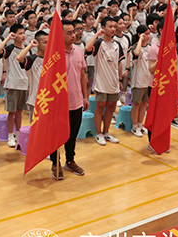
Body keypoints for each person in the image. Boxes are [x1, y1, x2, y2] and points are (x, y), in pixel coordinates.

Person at [51, 20, 88, 180]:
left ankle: (70, 160)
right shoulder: (53, 54)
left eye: (74, 32)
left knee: (72, 134)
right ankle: (55, 163)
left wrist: (85, 96)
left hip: (76, 101)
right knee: (55, 136)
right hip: (58, 104)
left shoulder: (79, 51)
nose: (74, 35)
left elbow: (82, 74)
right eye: (69, 33)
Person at [85, 17, 124, 145]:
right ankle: (98, 134)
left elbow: (119, 63)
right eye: (110, 26)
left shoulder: (117, 44)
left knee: (111, 108)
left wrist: (120, 79)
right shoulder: (98, 43)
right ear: (103, 28)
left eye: (114, 26)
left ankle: (106, 132)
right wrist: (97, 34)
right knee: (100, 107)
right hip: (101, 83)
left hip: (114, 83)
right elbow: (87, 48)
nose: (113, 29)